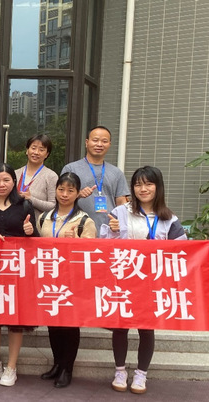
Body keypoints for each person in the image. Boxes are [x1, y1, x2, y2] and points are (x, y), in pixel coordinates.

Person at [101, 166, 187, 394]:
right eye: (138, 184)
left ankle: (141, 374)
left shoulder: (168, 218)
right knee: (120, 327)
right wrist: (113, 231)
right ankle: (120, 371)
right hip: (124, 280)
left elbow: (182, 250)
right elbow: (103, 246)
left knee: (146, 329)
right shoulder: (120, 212)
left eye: (148, 184)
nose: (143, 189)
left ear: (158, 187)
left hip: (152, 283)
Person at [0, 163, 38, 387]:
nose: (1, 184)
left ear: (14, 182)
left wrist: (30, 232)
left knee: (15, 317)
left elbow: (35, 240)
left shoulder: (25, 205)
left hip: (16, 269)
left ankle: (11, 366)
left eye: (6, 180)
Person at [36, 172, 96, 388]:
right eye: (61, 189)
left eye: (70, 190)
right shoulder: (44, 217)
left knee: (70, 324)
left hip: (73, 279)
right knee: (53, 322)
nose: (64, 194)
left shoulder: (84, 220)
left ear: (77, 193)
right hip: (49, 277)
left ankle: (67, 369)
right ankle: (57, 363)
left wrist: (76, 241)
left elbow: (91, 253)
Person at [61, 125, 130, 228]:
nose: (99, 144)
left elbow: (121, 203)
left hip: (109, 230)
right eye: (95, 140)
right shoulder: (71, 169)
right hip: (77, 229)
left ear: (109, 144)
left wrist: (121, 224)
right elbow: (61, 197)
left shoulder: (117, 173)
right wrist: (78, 194)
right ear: (87, 142)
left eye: (104, 141)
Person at [15, 134, 58, 218]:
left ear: (47, 154)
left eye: (41, 150)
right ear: (27, 150)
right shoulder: (15, 173)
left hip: (37, 223)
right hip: (13, 222)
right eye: (33, 148)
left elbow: (53, 206)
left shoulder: (51, 176)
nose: (36, 152)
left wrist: (31, 199)